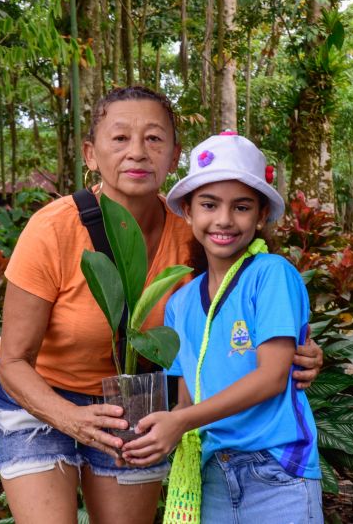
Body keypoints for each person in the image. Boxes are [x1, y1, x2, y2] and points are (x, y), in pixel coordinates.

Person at [0, 86, 323, 524]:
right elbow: (12, 361)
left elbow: (235, 309)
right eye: (120, 138)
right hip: (39, 396)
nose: (138, 153)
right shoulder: (52, 230)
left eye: (154, 139)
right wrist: (73, 419)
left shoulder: (196, 230)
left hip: (132, 399)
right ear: (90, 153)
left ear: (174, 154)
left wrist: (299, 353)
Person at [122, 133, 323, 524]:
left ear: (261, 215)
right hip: (212, 471)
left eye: (242, 207)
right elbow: (186, 401)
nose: (224, 220)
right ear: (188, 212)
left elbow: (271, 377)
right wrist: (157, 433)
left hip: (276, 470)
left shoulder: (271, 275)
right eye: (209, 205)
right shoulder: (180, 303)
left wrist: (181, 422)